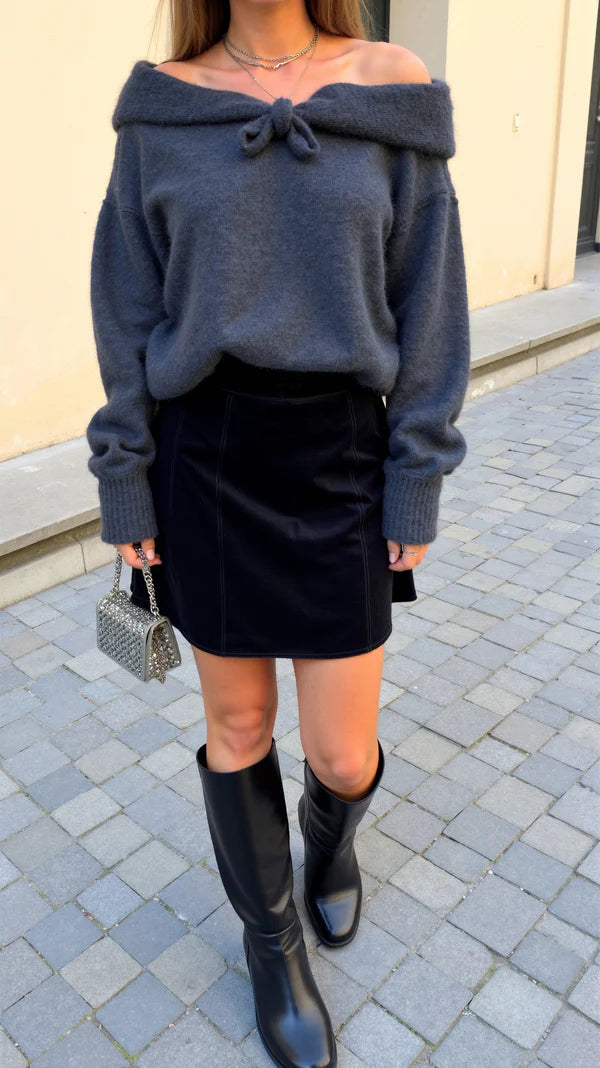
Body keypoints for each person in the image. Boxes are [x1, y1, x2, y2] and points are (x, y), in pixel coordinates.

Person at [86, 2, 471, 1065]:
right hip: (204, 456)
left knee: (341, 754)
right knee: (241, 724)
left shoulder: (391, 84)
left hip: (341, 452)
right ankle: (272, 947)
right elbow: (126, 312)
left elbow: (431, 300)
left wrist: (418, 475)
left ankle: (329, 837)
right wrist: (125, 481)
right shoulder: (162, 111)